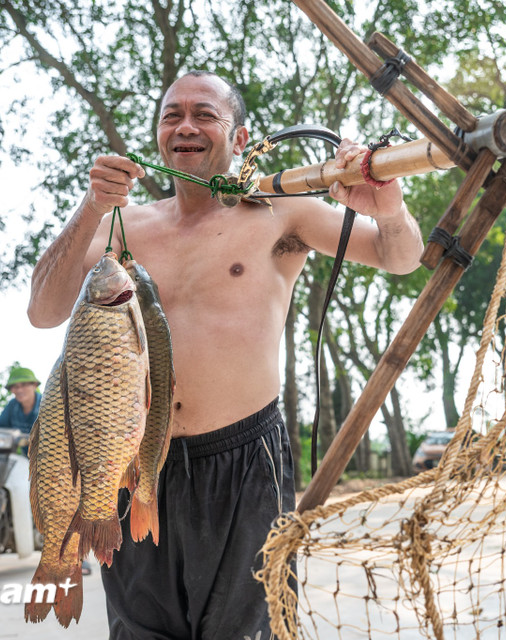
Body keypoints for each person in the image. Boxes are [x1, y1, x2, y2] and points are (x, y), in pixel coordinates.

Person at [27, 71, 424, 639]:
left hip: (244, 459)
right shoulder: (123, 225)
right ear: (159, 135)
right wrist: (91, 207)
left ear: (239, 139)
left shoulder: (280, 214)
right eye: (172, 115)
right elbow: (43, 309)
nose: (185, 125)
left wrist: (387, 207)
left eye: (204, 114)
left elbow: (399, 256)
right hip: (134, 463)